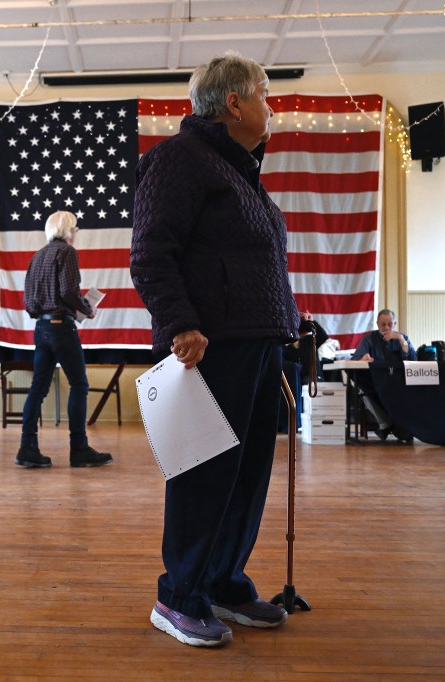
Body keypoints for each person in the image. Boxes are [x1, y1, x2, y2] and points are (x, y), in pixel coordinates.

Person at [130, 52, 300, 647]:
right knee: (204, 477)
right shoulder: (179, 160)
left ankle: (223, 583)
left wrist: (290, 326)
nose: (270, 106)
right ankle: (177, 597)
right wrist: (179, 323)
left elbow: (258, 264)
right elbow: (150, 251)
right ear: (233, 103)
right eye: (264, 93)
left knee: (247, 478)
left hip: (256, 347)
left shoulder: (238, 171)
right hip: (207, 349)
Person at [15, 211, 113, 469]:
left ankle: (27, 448)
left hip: (42, 328)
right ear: (69, 230)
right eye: (76, 229)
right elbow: (69, 291)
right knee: (79, 385)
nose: (76, 233)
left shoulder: (36, 257)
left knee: (38, 389)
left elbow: (29, 303)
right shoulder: (67, 252)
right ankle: (79, 449)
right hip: (62, 327)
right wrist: (86, 308)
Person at [350, 309, 416, 440]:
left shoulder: (402, 338)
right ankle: (390, 425)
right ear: (377, 324)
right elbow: (355, 359)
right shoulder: (369, 339)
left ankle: (390, 426)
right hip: (377, 381)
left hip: (399, 382)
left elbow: (413, 359)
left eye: (390, 324)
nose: (386, 327)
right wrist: (363, 358)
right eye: (383, 324)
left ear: (395, 324)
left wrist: (401, 340)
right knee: (363, 389)